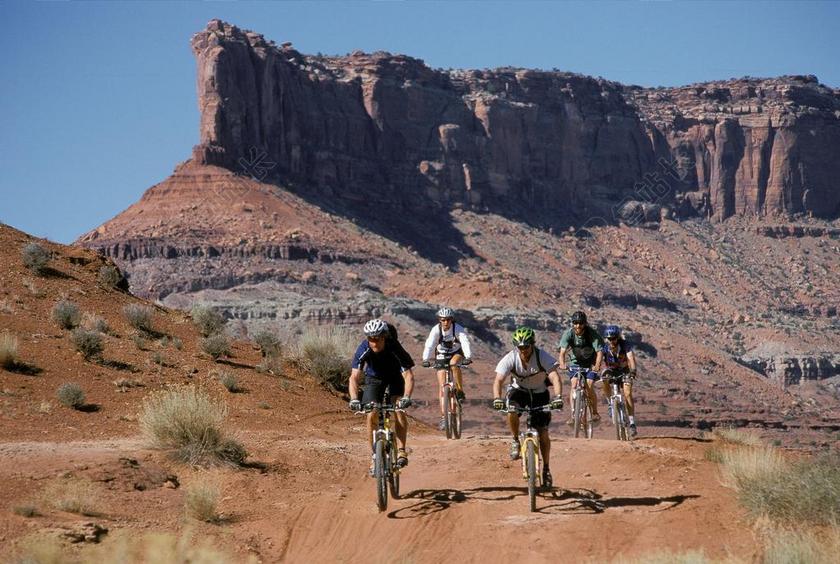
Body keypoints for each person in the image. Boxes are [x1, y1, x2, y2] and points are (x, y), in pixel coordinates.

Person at [492, 326, 564, 488]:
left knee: (543, 431)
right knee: (511, 410)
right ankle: (516, 440)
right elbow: (498, 380)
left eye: (526, 346)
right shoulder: (510, 358)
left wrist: (558, 397)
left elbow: (555, 377)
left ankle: (546, 468)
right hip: (519, 391)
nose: (523, 350)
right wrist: (497, 398)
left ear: (532, 344)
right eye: (520, 347)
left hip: (540, 393)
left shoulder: (541, 356)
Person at [348, 318, 416, 471]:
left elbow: (408, 376)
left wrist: (406, 397)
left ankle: (401, 451)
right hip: (374, 379)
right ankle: (374, 456)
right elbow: (354, 377)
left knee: (398, 408)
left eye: (377, 338)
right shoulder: (363, 348)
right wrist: (353, 399)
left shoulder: (394, 347)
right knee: (371, 413)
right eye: (371, 338)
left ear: (384, 337)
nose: (374, 342)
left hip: (395, 378)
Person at [421, 307, 473, 431]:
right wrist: (425, 359)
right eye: (443, 320)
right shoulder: (436, 330)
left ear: (451, 320)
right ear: (440, 320)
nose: (446, 322)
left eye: (448, 320)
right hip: (441, 355)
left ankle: (459, 391)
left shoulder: (458, 328)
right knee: (442, 387)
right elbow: (430, 344)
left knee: (454, 364)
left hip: (456, 352)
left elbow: (465, 342)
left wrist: (468, 357)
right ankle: (444, 417)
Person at [557, 311, 605, 425]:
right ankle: (574, 415)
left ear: (585, 323)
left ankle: (594, 412)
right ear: (572, 323)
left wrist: (597, 365)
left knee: (589, 385)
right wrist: (562, 364)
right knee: (574, 385)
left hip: (590, 364)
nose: (578, 326)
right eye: (575, 323)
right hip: (575, 364)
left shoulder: (591, 333)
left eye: (581, 323)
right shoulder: (569, 334)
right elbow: (562, 352)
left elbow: (599, 352)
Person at [595, 324, 638, 438]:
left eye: (613, 338)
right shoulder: (604, 348)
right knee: (604, 378)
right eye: (609, 339)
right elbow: (599, 359)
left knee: (628, 394)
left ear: (618, 338)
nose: (611, 341)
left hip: (624, 371)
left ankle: (632, 422)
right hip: (611, 371)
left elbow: (631, 358)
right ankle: (610, 403)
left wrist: (633, 371)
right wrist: (596, 368)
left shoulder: (625, 345)